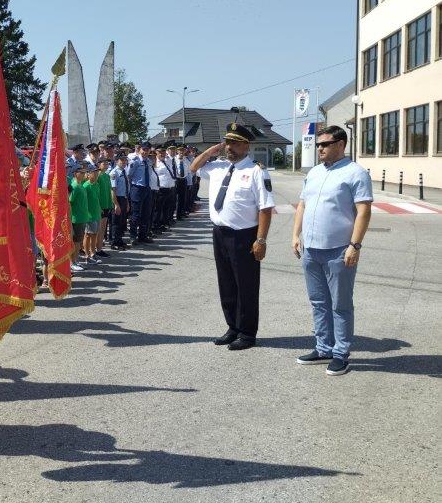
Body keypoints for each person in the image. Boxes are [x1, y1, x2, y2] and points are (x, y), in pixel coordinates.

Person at [292, 126, 373, 376]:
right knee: (318, 302)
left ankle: (341, 353)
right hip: (311, 249)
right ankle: (323, 347)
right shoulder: (314, 173)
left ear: (341, 144)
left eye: (325, 144)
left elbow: (364, 211)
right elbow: (303, 204)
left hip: (339, 249)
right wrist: (296, 235)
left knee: (340, 304)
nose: (320, 149)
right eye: (318, 145)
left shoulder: (355, 173)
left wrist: (355, 245)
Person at [191, 123, 274, 351]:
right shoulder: (217, 167)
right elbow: (193, 168)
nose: (230, 148)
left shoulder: (256, 171)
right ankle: (233, 327)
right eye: (227, 142)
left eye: (235, 143)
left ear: (246, 146)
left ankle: (247, 333)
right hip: (220, 233)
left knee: (246, 286)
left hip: (244, 236)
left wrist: (261, 240)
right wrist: (210, 151)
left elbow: (265, 209)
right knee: (226, 284)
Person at [127, 142, 154, 245]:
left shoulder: (149, 161)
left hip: (147, 188)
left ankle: (143, 235)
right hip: (137, 189)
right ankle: (133, 236)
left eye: (147, 150)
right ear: (139, 150)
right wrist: (131, 189)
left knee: (146, 213)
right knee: (135, 214)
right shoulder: (135, 161)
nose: (145, 152)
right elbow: (129, 175)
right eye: (143, 149)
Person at [68, 165, 89, 272]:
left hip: (82, 217)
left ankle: (75, 260)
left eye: (84, 172)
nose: (84, 174)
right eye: (81, 172)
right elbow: (70, 202)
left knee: (78, 242)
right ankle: (72, 262)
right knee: (75, 242)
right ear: (75, 174)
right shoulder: (74, 186)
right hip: (76, 218)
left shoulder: (81, 185)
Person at [108, 153, 129, 250]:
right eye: (122, 160)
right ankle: (114, 242)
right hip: (117, 199)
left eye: (125, 160)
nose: (124, 162)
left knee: (122, 221)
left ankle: (119, 240)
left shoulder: (124, 171)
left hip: (123, 198)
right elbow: (113, 190)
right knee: (115, 221)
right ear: (117, 161)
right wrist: (116, 204)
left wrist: (127, 202)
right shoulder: (114, 173)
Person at [82, 164, 102, 265]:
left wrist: (99, 209)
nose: (96, 173)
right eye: (94, 172)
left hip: (96, 213)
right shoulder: (86, 185)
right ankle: (86, 255)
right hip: (89, 215)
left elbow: (97, 199)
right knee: (88, 235)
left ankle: (93, 253)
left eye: (97, 172)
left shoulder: (97, 184)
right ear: (89, 174)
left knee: (95, 234)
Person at [154, 145, 176, 230]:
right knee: (159, 209)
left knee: (167, 208)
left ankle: (164, 223)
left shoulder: (167, 161)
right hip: (161, 189)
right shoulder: (155, 162)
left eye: (163, 152)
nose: (162, 154)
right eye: (160, 152)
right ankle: (156, 225)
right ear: (156, 152)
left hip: (169, 188)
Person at [95, 158, 113, 257]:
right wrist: (98, 205)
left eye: (107, 163)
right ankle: (96, 248)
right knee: (99, 229)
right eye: (104, 163)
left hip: (106, 204)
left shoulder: (106, 176)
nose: (106, 165)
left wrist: (111, 203)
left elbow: (109, 190)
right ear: (99, 165)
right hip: (100, 205)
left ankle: (99, 248)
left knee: (103, 228)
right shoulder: (98, 176)